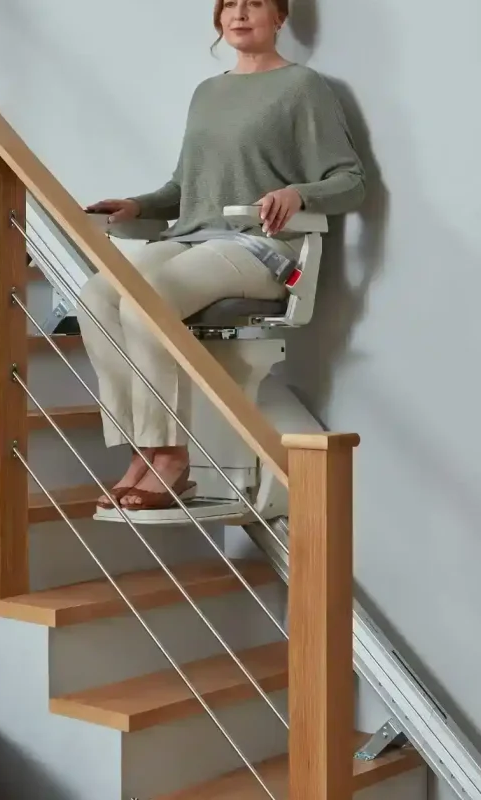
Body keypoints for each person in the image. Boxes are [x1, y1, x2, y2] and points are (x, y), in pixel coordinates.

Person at [81, 0, 366, 511]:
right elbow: (183, 187)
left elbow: (350, 180)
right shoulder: (207, 93)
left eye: (254, 3)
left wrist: (299, 194)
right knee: (98, 295)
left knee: (146, 300)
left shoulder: (302, 88)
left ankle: (170, 458)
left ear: (280, 17)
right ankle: (143, 453)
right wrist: (137, 206)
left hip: (259, 248)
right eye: (228, 4)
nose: (238, 13)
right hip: (191, 237)